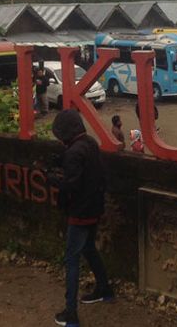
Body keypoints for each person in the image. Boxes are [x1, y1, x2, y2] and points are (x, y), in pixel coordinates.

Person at [51, 110, 114, 326]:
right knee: (89, 249)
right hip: (95, 208)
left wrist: (53, 180)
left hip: (79, 213)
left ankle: (71, 313)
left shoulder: (73, 153)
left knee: (72, 260)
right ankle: (104, 289)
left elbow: (71, 186)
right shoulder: (90, 143)